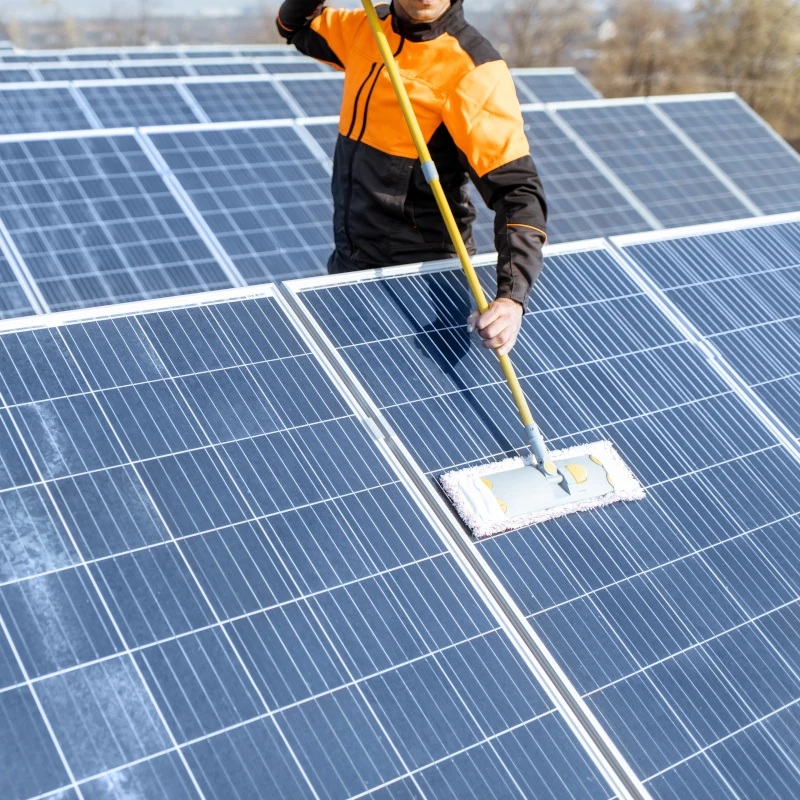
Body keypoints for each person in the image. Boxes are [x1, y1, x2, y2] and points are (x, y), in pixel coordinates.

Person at [277, 0, 548, 356]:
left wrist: (511, 298)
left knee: (415, 402)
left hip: (423, 278)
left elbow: (518, 191)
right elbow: (294, 26)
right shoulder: (368, 27)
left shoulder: (474, 70)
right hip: (349, 264)